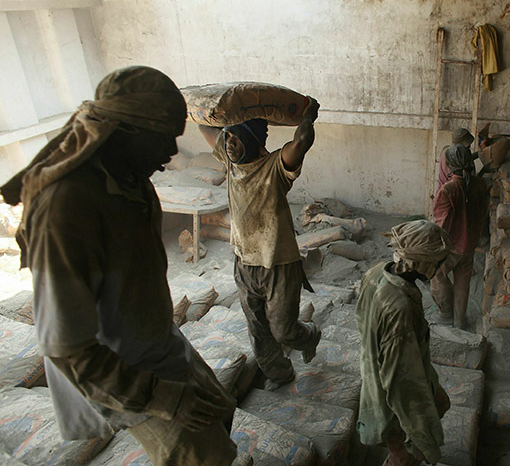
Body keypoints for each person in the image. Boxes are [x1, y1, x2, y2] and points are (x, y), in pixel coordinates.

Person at [0, 66, 238, 465]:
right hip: (121, 369)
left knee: (220, 407)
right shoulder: (66, 209)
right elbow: (67, 348)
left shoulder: (130, 177)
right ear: (125, 131)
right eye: (164, 139)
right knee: (206, 456)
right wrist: (160, 397)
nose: (170, 154)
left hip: (157, 342)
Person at [198, 98, 322, 391]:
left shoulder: (275, 167)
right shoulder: (230, 161)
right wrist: (220, 106)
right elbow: (205, 123)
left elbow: (302, 141)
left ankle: (309, 336)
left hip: (278, 264)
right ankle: (280, 373)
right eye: (227, 137)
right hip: (244, 262)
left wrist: (308, 116)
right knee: (258, 330)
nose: (228, 144)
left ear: (252, 140)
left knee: (283, 330)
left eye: (235, 138)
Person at [356, 219, 452, 466]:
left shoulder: (377, 271)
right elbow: (402, 384)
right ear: (423, 264)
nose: (443, 266)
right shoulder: (400, 307)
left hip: (376, 364)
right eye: (439, 261)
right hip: (391, 398)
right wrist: (420, 434)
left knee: (441, 402)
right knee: (406, 455)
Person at [431, 143, 489, 331]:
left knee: (436, 276)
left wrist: (433, 249)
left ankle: (446, 314)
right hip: (469, 245)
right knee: (463, 283)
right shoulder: (480, 184)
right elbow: (483, 215)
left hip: (452, 247)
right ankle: (459, 321)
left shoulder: (448, 189)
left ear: (451, 164)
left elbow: (441, 225)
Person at [436, 124, 490, 194]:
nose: (469, 146)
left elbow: (465, 159)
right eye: (467, 145)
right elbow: (463, 168)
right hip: (449, 193)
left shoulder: (449, 151)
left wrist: (479, 153)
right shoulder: (451, 156)